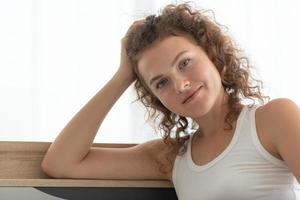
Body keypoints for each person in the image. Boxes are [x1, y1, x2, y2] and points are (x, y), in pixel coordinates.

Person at [41, 3, 300, 199]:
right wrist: (122, 77)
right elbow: (61, 163)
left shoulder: (274, 119)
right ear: (155, 98)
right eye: (161, 82)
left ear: (211, 53)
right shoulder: (170, 156)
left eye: (185, 63)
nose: (180, 84)